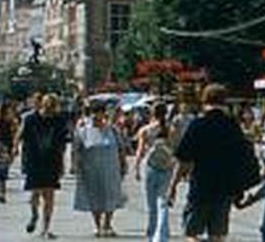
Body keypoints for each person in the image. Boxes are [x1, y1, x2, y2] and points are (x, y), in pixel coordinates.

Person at [168, 85, 258, 242]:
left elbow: (184, 160)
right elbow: (242, 157)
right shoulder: (232, 126)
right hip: (225, 188)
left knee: (191, 233)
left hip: (201, 187)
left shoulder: (198, 124)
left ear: (204, 100)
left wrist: (173, 186)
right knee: (217, 235)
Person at [21, 94, 74, 238]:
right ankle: (34, 215)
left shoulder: (59, 121)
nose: (50, 109)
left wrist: (62, 163)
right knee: (35, 193)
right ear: (42, 105)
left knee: (49, 196)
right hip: (34, 160)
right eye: (47, 105)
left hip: (52, 160)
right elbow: (22, 139)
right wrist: (22, 160)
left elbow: (62, 144)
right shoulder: (31, 119)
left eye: (53, 106)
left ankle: (45, 228)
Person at [74, 103, 128, 236]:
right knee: (94, 196)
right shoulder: (83, 131)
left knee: (111, 195)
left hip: (111, 168)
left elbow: (121, 149)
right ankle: (97, 225)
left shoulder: (113, 130)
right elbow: (77, 150)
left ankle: (108, 224)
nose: (95, 116)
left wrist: (123, 164)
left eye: (98, 113)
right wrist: (75, 166)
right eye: (93, 113)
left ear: (104, 114)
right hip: (90, 169)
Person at [136, 104, 178, 242]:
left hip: (150, 168)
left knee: (152, 205)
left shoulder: (145, 130)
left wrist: (136, 167)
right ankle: (162, 235)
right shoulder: (171, 130)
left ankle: (152, 233)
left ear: (152, 113)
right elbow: (175, 150)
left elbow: (141, 151)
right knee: (163, 203)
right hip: (167, 168)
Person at [0, 105, 19, 204]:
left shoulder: (12, 123)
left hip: (6, 147)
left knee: (3, 171)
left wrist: (15, 148)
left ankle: (1, 192)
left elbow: (15, 135)